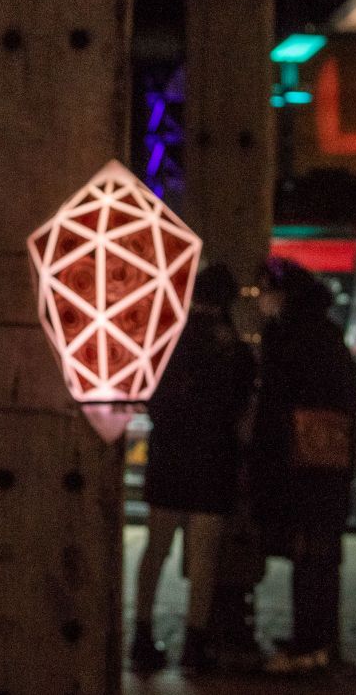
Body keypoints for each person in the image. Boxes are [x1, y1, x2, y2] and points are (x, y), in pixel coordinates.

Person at [130, 264, 257, 673]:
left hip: (169, 456)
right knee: (204, 556)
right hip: (213, 459)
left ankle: (142, 634)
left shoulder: (166, 342)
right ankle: (195, 644)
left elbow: (150, 397)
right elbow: (242, 409)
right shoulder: (236, 351)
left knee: (156, 548)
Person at [251, 258, 356, 674]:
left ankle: (308, 644)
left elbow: (277, 404)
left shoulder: (289, 337)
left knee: (308, 555)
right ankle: (320, 639)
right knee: (322, 556)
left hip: (300, 464)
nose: (260, 299)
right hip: (328, 463)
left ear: (282, 295)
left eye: (264, 291)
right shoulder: (327, 334)